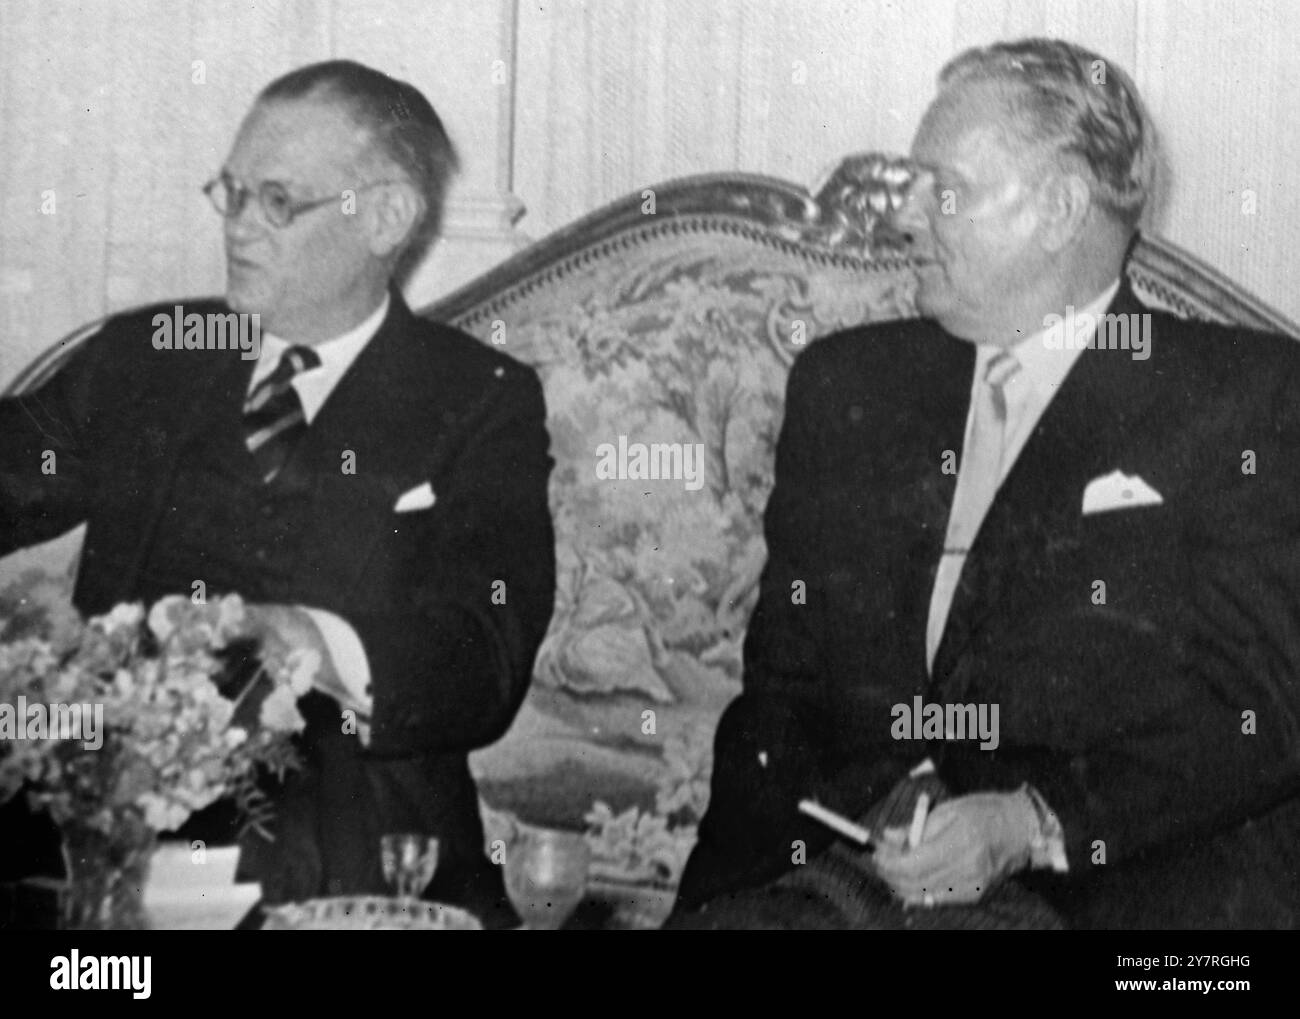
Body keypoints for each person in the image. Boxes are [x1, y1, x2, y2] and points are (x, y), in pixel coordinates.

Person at [671, 38, 1300, 929]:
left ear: (1061, 207)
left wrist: (1029, 823)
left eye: (946, 190)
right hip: (860, 882)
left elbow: (1266, 708)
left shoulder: (1248, 396)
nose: (905, 219)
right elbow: (782, 692)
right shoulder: (848, 385)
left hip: (1120, 900)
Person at [0, 60, 556, 928]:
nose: (240, 228)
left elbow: (486, 652)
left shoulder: (479, 399)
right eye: (232, 192)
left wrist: (308, 637)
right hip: (99, 843)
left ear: (387, 216)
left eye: (278, 202)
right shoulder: (155, 351)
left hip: (348, 854)